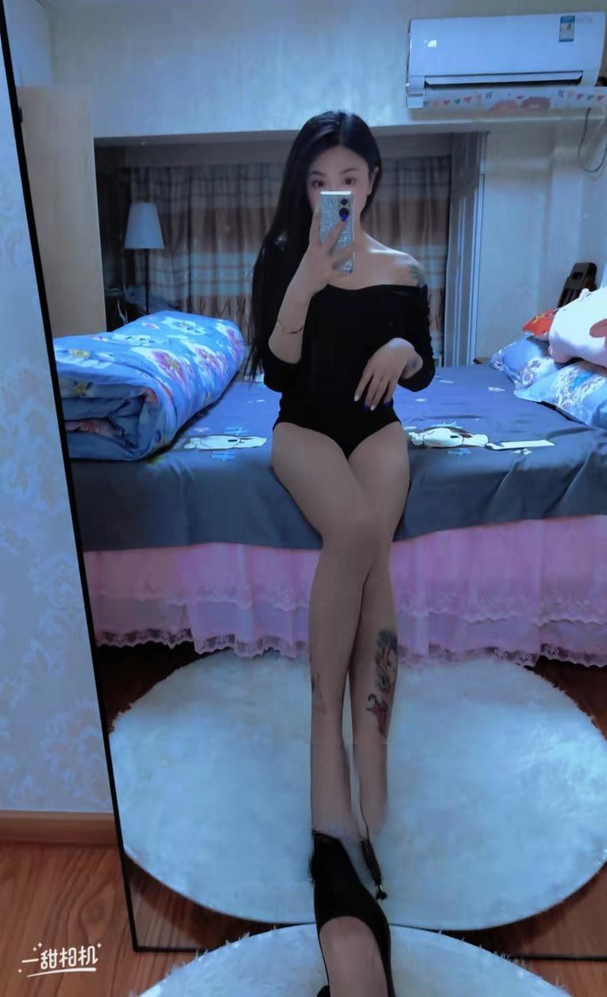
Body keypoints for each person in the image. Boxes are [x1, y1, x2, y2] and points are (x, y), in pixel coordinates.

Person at [246, 109, 435, 996]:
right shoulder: (286, 256)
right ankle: (329, 728)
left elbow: (425, 361)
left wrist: (403, 348)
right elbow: (276, 369)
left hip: (379, 432)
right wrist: (307, 280)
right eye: (320, 178)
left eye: (350, 176)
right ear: (304, 184)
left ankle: (373, 746)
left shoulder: (403, 267)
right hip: (303, 433)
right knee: (356, 532)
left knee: (376, 559)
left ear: (372, 181)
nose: (337, 190)